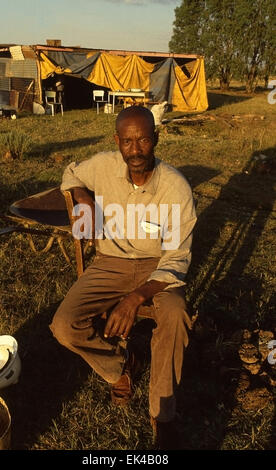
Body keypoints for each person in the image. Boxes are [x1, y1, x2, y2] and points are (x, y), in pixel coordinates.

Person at [49, 106, 197, 449]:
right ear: (117, 141)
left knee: (175, 315)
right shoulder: (103, 165)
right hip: (110, 262)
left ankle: (163, 415)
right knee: (63, 324)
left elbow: (176, 258)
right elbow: (71, 173)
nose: (135, 150)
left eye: (143, 139)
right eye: (127, 141)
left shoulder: (175, 188)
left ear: (155, 139)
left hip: (156, 267)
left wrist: (135, 299)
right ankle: (120, 365)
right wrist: (83, 196)